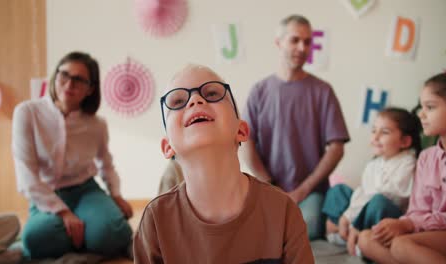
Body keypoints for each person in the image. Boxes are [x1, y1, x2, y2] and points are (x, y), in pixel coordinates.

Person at [133, 64, 314, 263]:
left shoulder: (283, 211)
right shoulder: (156, 221)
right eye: (177, 101)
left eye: (211, 94)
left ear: (242, 131)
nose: (195, 100)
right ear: (168, 146)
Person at [12, 51, 133, 259]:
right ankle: (90, 234)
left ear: (90, 89)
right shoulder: (27, 113)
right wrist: (64, 213)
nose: (69, 84)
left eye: (79, 80)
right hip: (47, 193)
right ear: (55, 76)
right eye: (64, 75)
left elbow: (106, 165)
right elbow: (26, 175)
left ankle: (94, 230)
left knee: (108, 233)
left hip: (86, 191)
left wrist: (116, 195)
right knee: (34, 239)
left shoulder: (97, 124)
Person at [241, 14, 350, 240]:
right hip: (267, 189)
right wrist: (270, 185)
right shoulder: (259, 91)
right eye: (295, 40)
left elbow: (337, 148)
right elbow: (246, 143)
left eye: (308, 42)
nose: (302, 47)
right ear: (278, 42)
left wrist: (302, 190)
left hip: (311, 193)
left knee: (305, 229)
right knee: (253, 232)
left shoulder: (323, 91)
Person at [357, 72, 446, 264]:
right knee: (366, 239)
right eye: (421, 106)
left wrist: (408, 224)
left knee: (401, 246)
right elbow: (417, 209)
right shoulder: (426, 158)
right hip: (429, 232)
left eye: (430, 107)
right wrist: (401, 224)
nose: (421, 114)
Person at [322, 107, 421, 255]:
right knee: (338, 190)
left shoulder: (408, 162)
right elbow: (362, 193)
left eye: (384, 132)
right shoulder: (373, 165)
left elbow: (387, 195)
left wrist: (352, 220)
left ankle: (355, 234)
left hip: (385, 215)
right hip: (364, 210)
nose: (375, 137)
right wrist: (347, 216)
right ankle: (346, 231)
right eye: (374, 131)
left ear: (405, 141)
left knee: (378, 201)